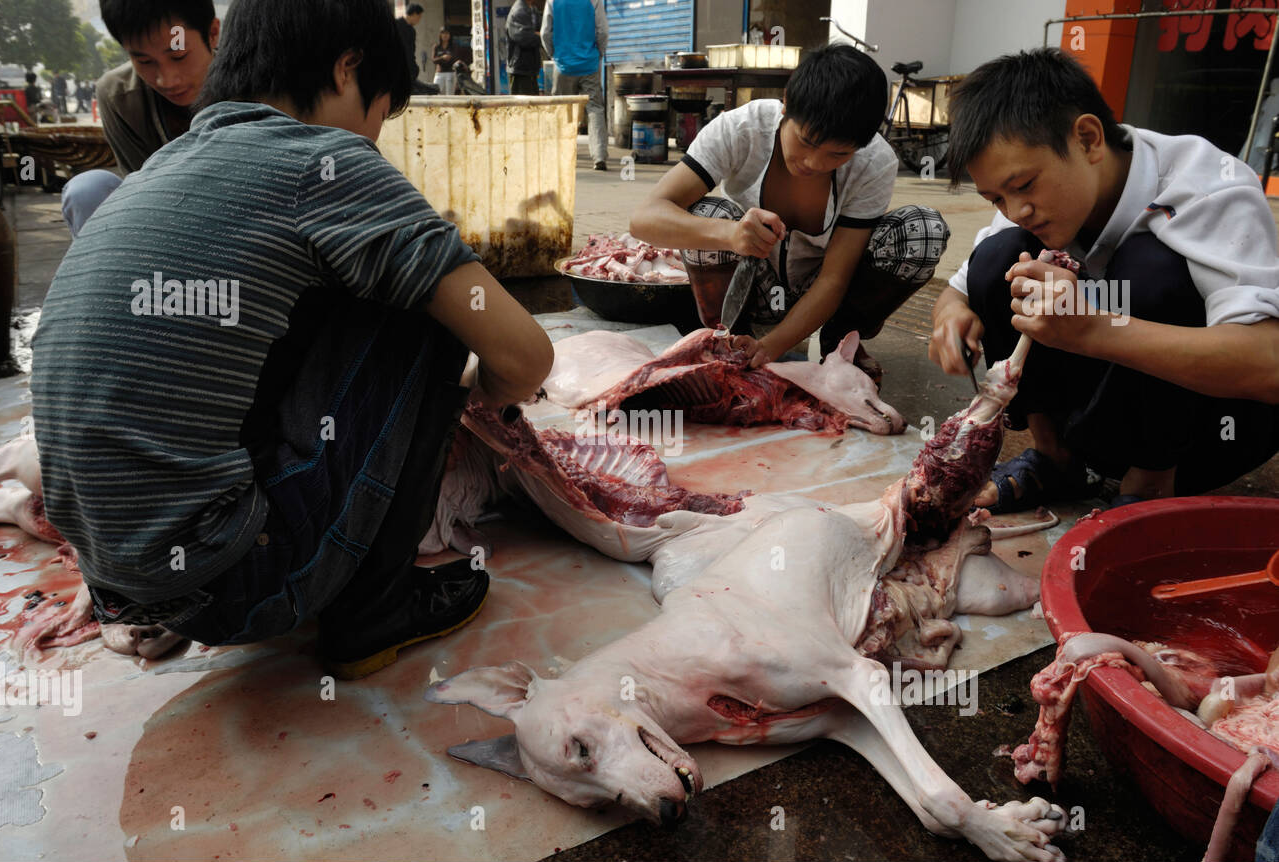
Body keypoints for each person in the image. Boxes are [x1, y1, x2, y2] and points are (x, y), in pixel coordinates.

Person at [30, 0, 554, 677]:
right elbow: (526, 353)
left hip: (122, 584)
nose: (371, 142)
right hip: (235, 586)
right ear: (347, 68)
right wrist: (476, 402)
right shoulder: (324, 161)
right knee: (428, 302)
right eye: (378, 115)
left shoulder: (160, 170)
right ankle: (374, 612)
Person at [932, 48, 1279, 512]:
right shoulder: (1031, 207)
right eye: (996, 198)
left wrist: (1096, 329)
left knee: (1149, 267)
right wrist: (954, 315)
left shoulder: (1204, 187)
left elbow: (1269, 363)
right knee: (999, 260)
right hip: (1105, 419)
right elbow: (956, 290)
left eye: (1023, 186)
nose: (1015, 210)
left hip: (1211, 433)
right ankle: (1055, 459)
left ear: (1089, 139)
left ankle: (1152, 481)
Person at [630, 44, 949, 374]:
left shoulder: (874, 162)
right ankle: (729, 338)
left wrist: (771, 348)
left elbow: (833, 279)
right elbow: (644, 218)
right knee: (710, 214)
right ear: (786, 104)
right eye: (807, 141)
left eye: (838, 154)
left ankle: (841, 342)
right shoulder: (740, 130)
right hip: (750, 286)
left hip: (819, 291)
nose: (815, 163)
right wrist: (730, 235)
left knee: (923, 230)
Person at [59, 0, 221, 238]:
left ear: (213, 34)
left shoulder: (259, 82)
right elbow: (144, 192)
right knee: (87, 189)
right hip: (162, 222)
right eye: (145, 62)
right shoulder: (118, 96)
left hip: (247, 224)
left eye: (179, 55)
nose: (167, 80)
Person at [541, 0, 608, 170]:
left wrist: (554, 54)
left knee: (562, 110)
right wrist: (599, 54)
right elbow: (603, 31)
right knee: (595, 109)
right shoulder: (594, 1)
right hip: (589, 64)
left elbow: (545, 33)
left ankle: (561, 154)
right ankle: (599, 156)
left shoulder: (553, 1)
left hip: (563, 65)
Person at [395, 3, 439, 95]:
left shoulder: (411, 30)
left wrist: (413, 67)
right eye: (419, 17)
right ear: (414, 14)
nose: (419, 20)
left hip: (408, 69)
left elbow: (411, 51)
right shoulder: (395, 25)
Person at [505, 0, 543, 95]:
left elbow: (543, 32)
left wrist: (539, 34)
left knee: (533, 106)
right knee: (521, 107)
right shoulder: (518, 11)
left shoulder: (533, 10)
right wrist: (540, 35)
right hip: (520, 69)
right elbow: (524, 38)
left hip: (531, 68)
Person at [431, 28, 458, 96]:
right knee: (436, 92)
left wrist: (450, 58)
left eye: (447, 33)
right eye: (443, 33)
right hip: (439, 73)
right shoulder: (436, 46)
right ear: (440, 35)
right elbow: (434, 60)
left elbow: (456, 59)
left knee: (450, 94)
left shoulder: (453, 46)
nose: (445, 35)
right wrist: (442, 58)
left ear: (450, 35)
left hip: (450, 73)